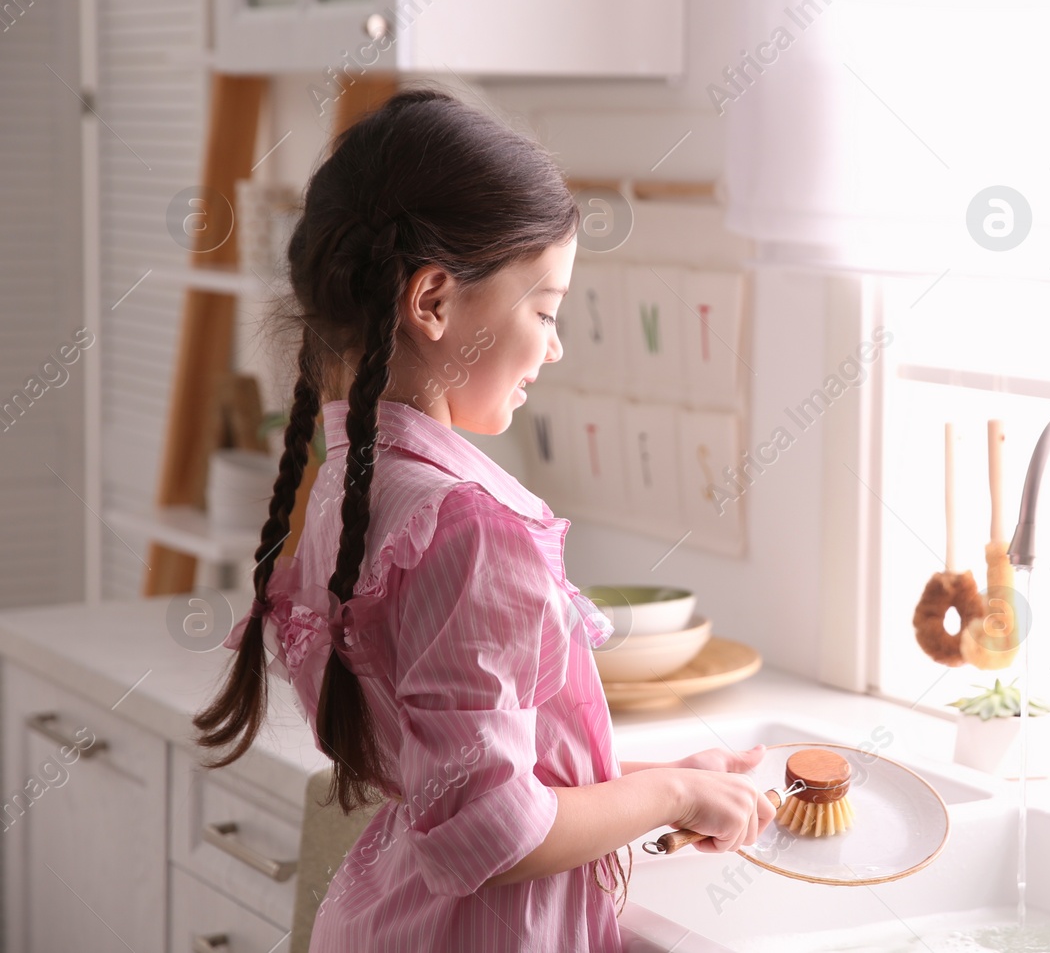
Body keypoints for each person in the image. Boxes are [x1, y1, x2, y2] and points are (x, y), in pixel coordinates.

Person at [191, 88, 775, 951]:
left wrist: (654, 776)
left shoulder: (357, 482)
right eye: (544, 311)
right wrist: (674, 800)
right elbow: (495, 836)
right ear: (432, 302)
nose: (555, 344)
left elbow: (472, 777)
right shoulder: (468, 528)